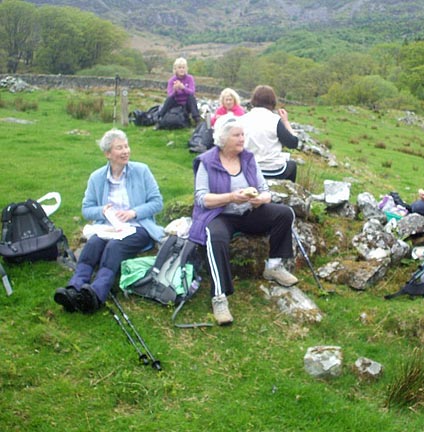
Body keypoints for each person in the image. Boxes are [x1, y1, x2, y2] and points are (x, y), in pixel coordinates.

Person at [189, 117, 298, 326]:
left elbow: (265, 190)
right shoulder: (206, 162)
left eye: (242, 134)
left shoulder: (248, 158)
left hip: (248, 212)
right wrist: (231, 197)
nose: (242, 139)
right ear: (223, 138)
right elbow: (202, 198)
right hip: (219, 214)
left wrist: (261, 199)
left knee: (285, 214)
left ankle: (274, 266)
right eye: (237, 135)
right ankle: (219, 297)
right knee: (216, 237)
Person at [54, 129, 164, 313]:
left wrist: (133, 213)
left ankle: (96, 294)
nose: (125, 151)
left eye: (126, 146)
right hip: (109, 227)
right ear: (108, 154)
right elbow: (87, 209)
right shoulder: (97, 177)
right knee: (93, 245)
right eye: (119, 148)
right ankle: (73, 289)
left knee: (114, 247)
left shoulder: (141, 170)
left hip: (138, 227)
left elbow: (157, 202)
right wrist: (102, 211)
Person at [240, 85, 299, 182]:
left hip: (248, 170)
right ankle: (288, 191)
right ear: (272, 101)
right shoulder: (275, 120)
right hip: (273, 171)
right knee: (292, 165)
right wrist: (286, 122)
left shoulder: (242, 119)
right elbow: (293, 143)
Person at [157, 57, 201, 124]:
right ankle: (160, 117)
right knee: (169, 99)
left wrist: (183, 88)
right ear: (176, 69)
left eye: (183, 68)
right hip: (176, 103)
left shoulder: (190, 78)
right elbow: (170, 94)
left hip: (186, 104)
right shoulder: (172, 80)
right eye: (179, 68)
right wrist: (175, 90)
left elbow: (192, 91)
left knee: (191, 97)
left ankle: (197, 119)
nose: (181, 70)